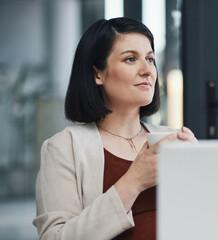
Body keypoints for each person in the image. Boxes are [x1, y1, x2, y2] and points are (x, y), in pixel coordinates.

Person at [33, 17, 197, 240]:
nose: (147, 70)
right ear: (97, 74)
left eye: (150, 59)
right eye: (131, 59)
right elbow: (54, 237)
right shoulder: (63, 148)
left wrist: (200, 173)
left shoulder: (171, 139)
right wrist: (134, 181)